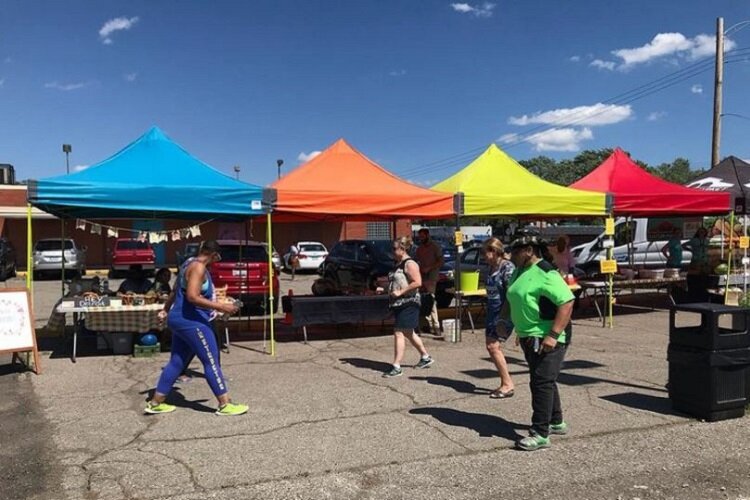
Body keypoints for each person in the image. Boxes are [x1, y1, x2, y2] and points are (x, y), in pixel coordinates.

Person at [145, 241, 247, 416]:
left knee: (177, 362)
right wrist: (221, 307)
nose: (217, 261)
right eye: (218, 258)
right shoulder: (199, 268)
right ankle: (225, 404)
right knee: (211, 360)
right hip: (191, 321)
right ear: (214, 255)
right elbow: (192, 297)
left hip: (178, 319)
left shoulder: (187, 263)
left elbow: (175, 290)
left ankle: (156, 402)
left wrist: (165, 309)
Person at [502, 234, 574, 451]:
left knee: (540, 382)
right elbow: (516, 299)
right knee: (544, 379)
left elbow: (567, 302)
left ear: (529, 250)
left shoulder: (545, 271)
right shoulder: (519, 271)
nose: (511, 255)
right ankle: (556, 421)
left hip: (549, 336)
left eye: (515, 251)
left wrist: (553, 335)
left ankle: (540, 433)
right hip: (529, 336)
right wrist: (516, 327)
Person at [382, 236, 435, 377]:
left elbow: (417, 282)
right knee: (409, 332)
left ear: (403, 248)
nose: (392, 251)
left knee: (399, 332)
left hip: (409, 302)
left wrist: (400, 292)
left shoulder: (410, 263)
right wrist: (384, 287)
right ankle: (425, 357)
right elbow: (398, 280)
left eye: (394, 248)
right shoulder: (398, 263)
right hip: (399, 303)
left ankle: (396, 366)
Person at [482, 238, 516, 399]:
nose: (483, 256)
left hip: (503, 313)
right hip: (492, 311)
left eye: (485, 252)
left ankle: (507, 384)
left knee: (493, 346)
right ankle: (505, 382)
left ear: (494, 251)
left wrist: (504, 319)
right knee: (491, 347)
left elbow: (512, 294)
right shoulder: (490, 267)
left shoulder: (507, 268)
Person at [415, 228, 444, 336]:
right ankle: (429, 325)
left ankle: (435, 326)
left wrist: (430, 267)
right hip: (422, 277)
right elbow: (416, 260)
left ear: (427, 235)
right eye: (420, 237)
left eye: (422, 236)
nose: (421, 239)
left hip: (432, 277)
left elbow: (441, 261)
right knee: (424, 300)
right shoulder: (419, 249)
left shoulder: (435, 247)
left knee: (430, 299)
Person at [683, 227, 710, 302]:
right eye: (700, 232)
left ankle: (702, 292)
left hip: (705, 260)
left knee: (704, 276)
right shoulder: (694, 240)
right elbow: (683, 245)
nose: (702, 233)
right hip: (696, 260)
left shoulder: (707, 240)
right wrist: (691, 250)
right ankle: (694, 293)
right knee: (695, 276)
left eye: (703, 232)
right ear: (698, 233)